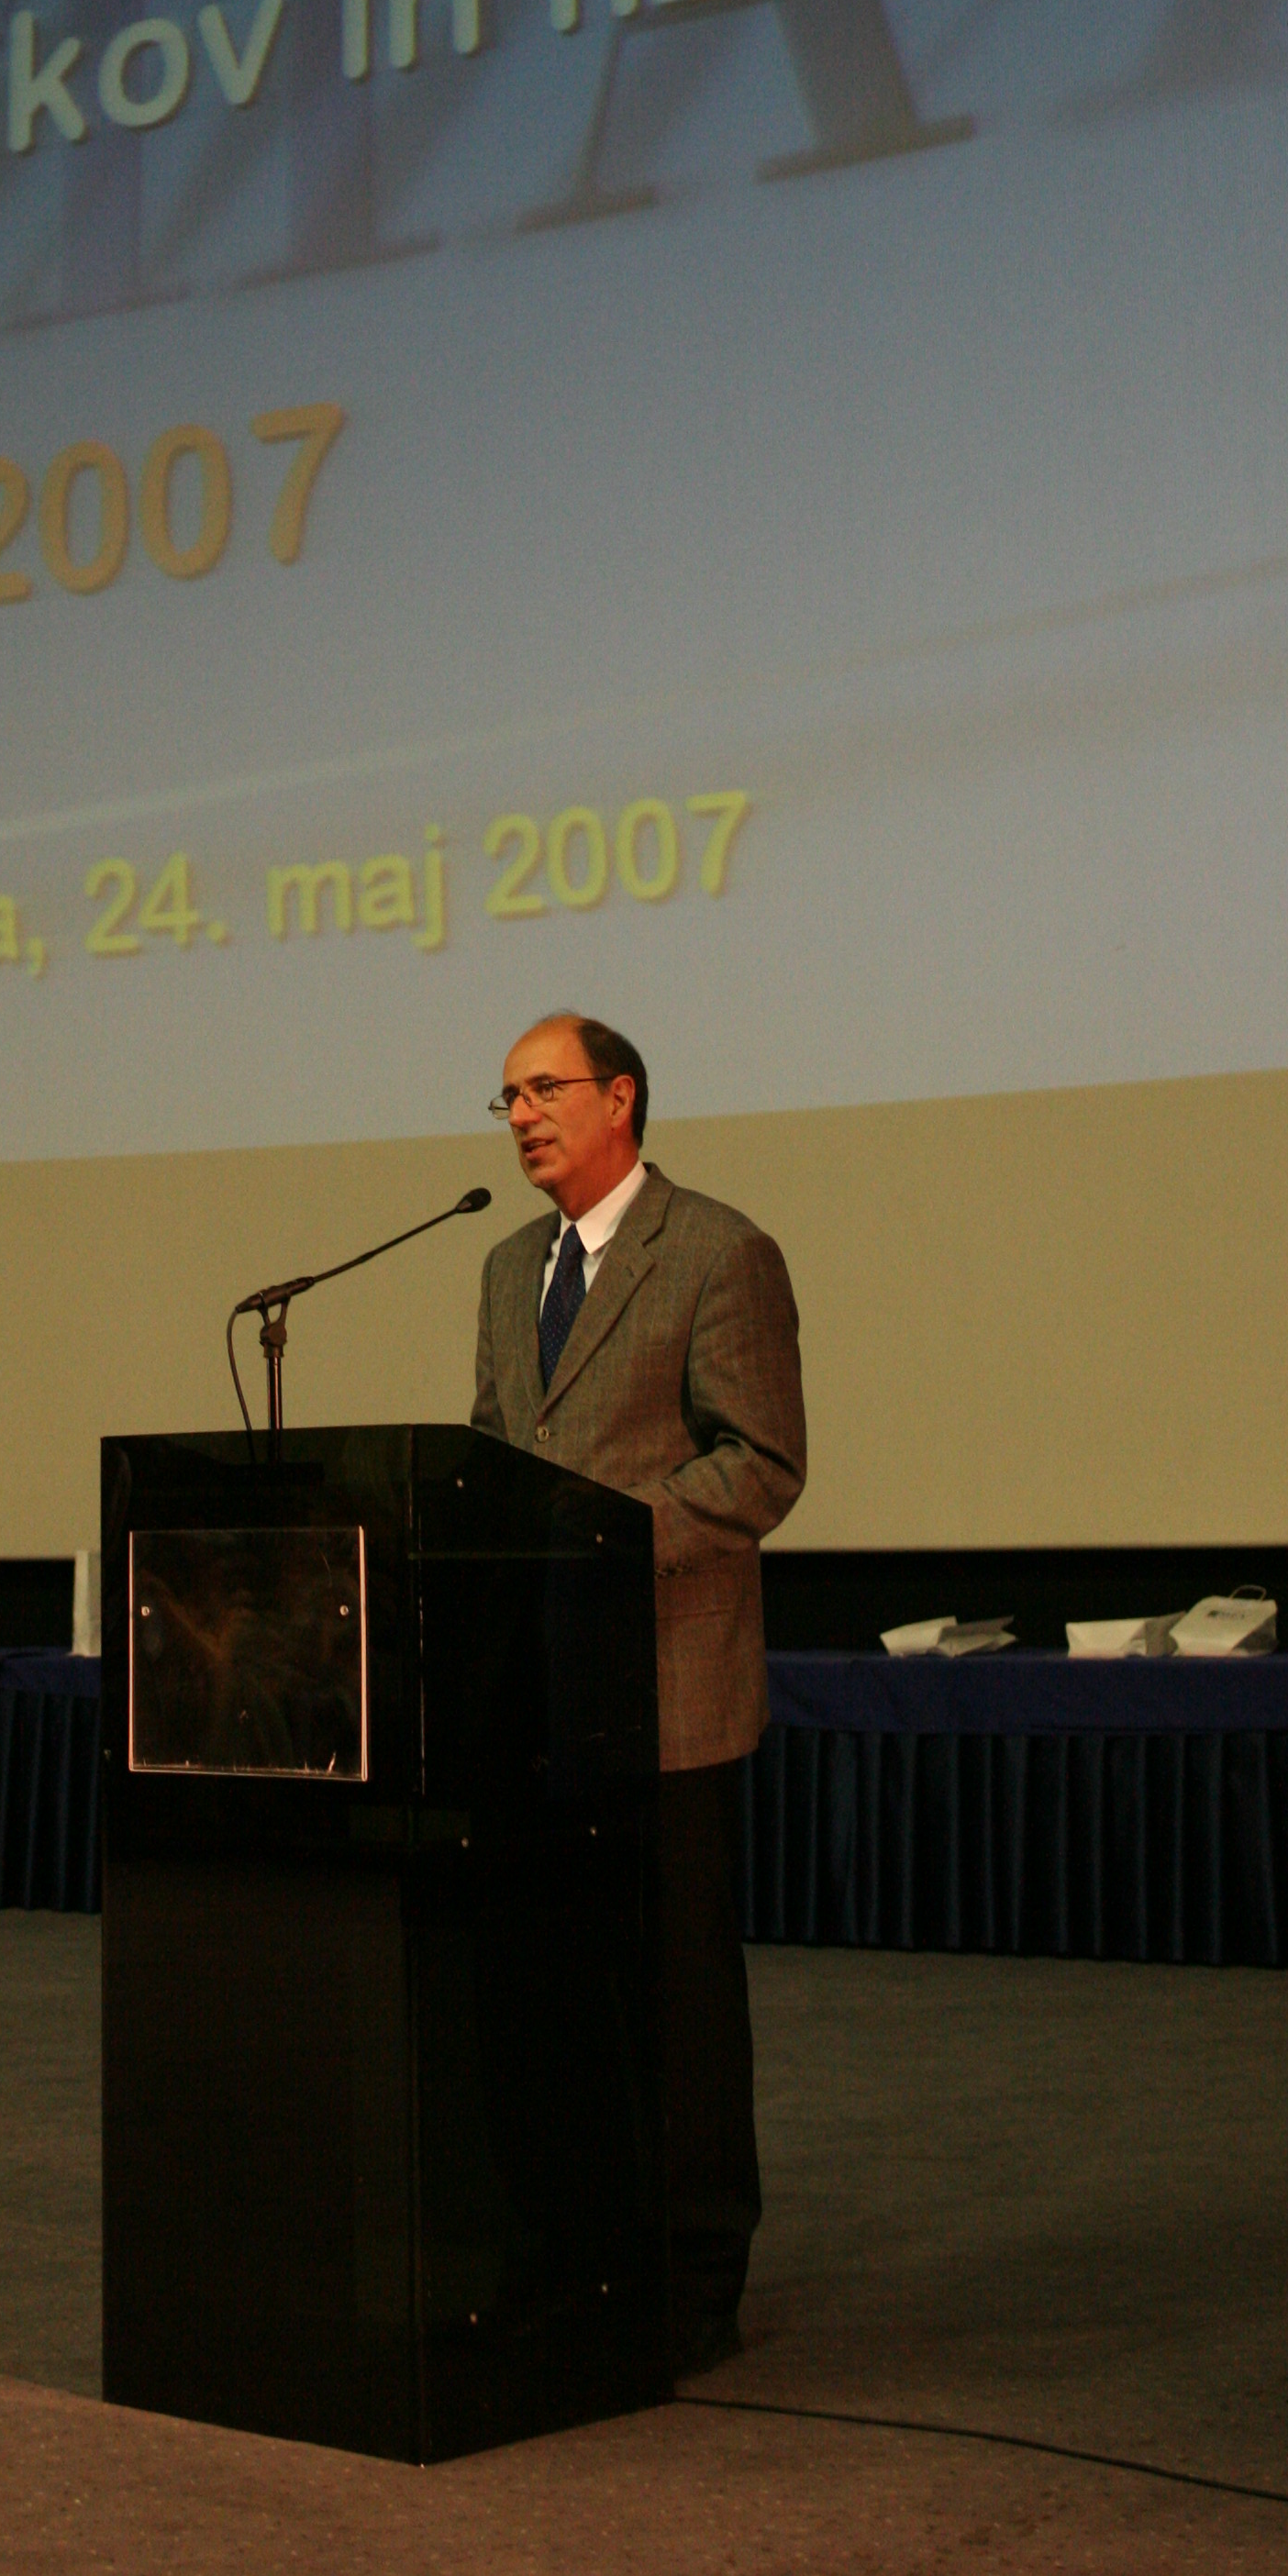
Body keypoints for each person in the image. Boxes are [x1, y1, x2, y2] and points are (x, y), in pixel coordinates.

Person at [470, 1010, 806, 2373]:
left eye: (543, 1089)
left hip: (669, 1683)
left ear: (620, 1099)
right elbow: (494, 1449)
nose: (521, 1116)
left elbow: (761, 1461)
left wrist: (612, 1536)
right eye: (507, 1097)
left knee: (676, 2004)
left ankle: (691, 2282)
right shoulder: (508, 1267)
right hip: (540, 1699)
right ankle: (570, 2259)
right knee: (555, 1996)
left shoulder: (719, 1251)